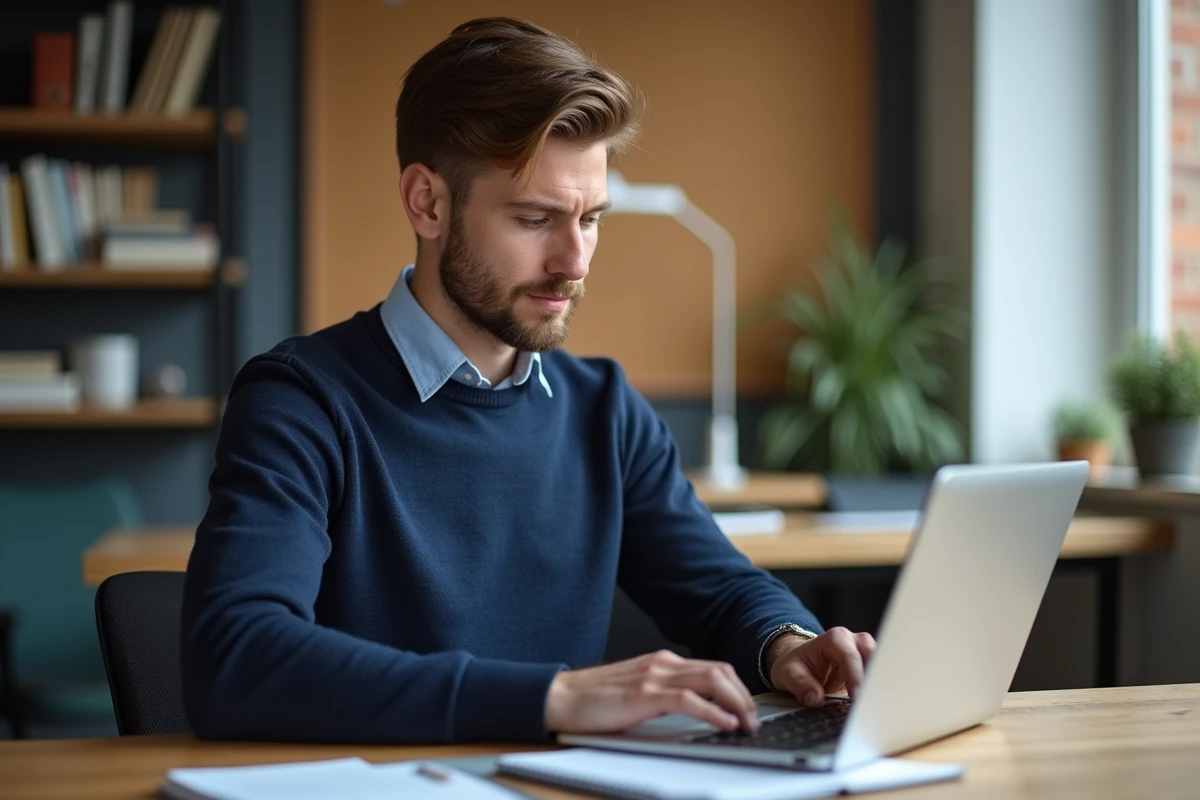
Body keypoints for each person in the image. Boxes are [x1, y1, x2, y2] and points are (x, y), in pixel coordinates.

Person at [181, 16, 876, 744]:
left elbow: (721, 588)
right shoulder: (300, 403)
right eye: (536, 218)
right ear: (427, 203)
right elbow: (236, 658)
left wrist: (788, 643)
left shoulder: (604, 411)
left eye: (592, 219)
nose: (575, 262)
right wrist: (555, 696)